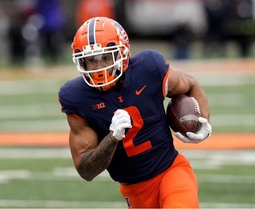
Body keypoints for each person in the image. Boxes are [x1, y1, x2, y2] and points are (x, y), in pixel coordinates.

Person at [58, 17, 212, 208]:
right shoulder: (77, 98)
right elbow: (86, 170)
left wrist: (203, 121)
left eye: (106, 57)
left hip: (171, 172)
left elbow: (191, 84)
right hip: (133, 190)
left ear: (123, 52)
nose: (99, 67)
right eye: (91, 61)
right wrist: (112, 138)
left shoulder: (148, 68)